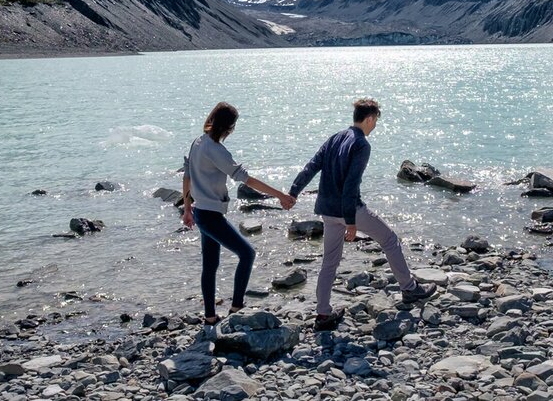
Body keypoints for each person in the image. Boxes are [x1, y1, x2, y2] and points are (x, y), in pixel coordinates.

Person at [287, 98, 436, 331]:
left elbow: (311, 167)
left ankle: (323, 313)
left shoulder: (335, 138)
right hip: (350, 210)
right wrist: (351, 222)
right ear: (369, 119)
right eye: (375, 120)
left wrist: (293, 192)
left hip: (327, 210)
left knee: (329, 262)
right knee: (390, 240)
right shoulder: (361, 144)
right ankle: (409, 289)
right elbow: (350, 185)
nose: (375, 125)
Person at [182, 102, 295, 325]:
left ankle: (210, 317)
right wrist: (280, 195)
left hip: (200, 211)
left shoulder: (198, 142)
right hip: (210, 216)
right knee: (247, 253)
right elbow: (246, 179)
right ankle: (236, 306)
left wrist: (187, 208)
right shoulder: (216, 150)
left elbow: (187, 176)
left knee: (210, 266)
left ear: (212, 118)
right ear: (230, 127)